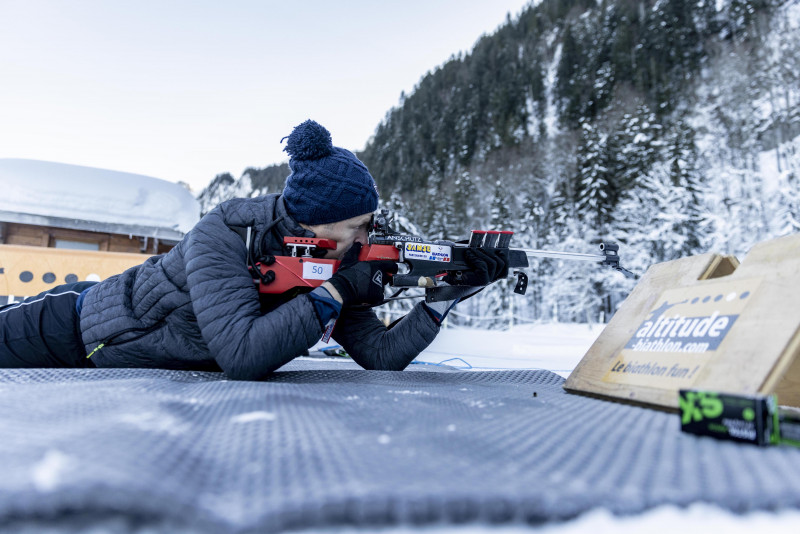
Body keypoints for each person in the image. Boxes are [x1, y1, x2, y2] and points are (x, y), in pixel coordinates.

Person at [0, 120, 507, 380]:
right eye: (356, 226)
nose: (365, 238)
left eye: (368, 224)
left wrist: (442, 299)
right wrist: (334, 292)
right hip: (72, 328)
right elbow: (241, 354)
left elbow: (378, 354)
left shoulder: (333, 255)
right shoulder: (223, 234)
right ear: (314, 218)